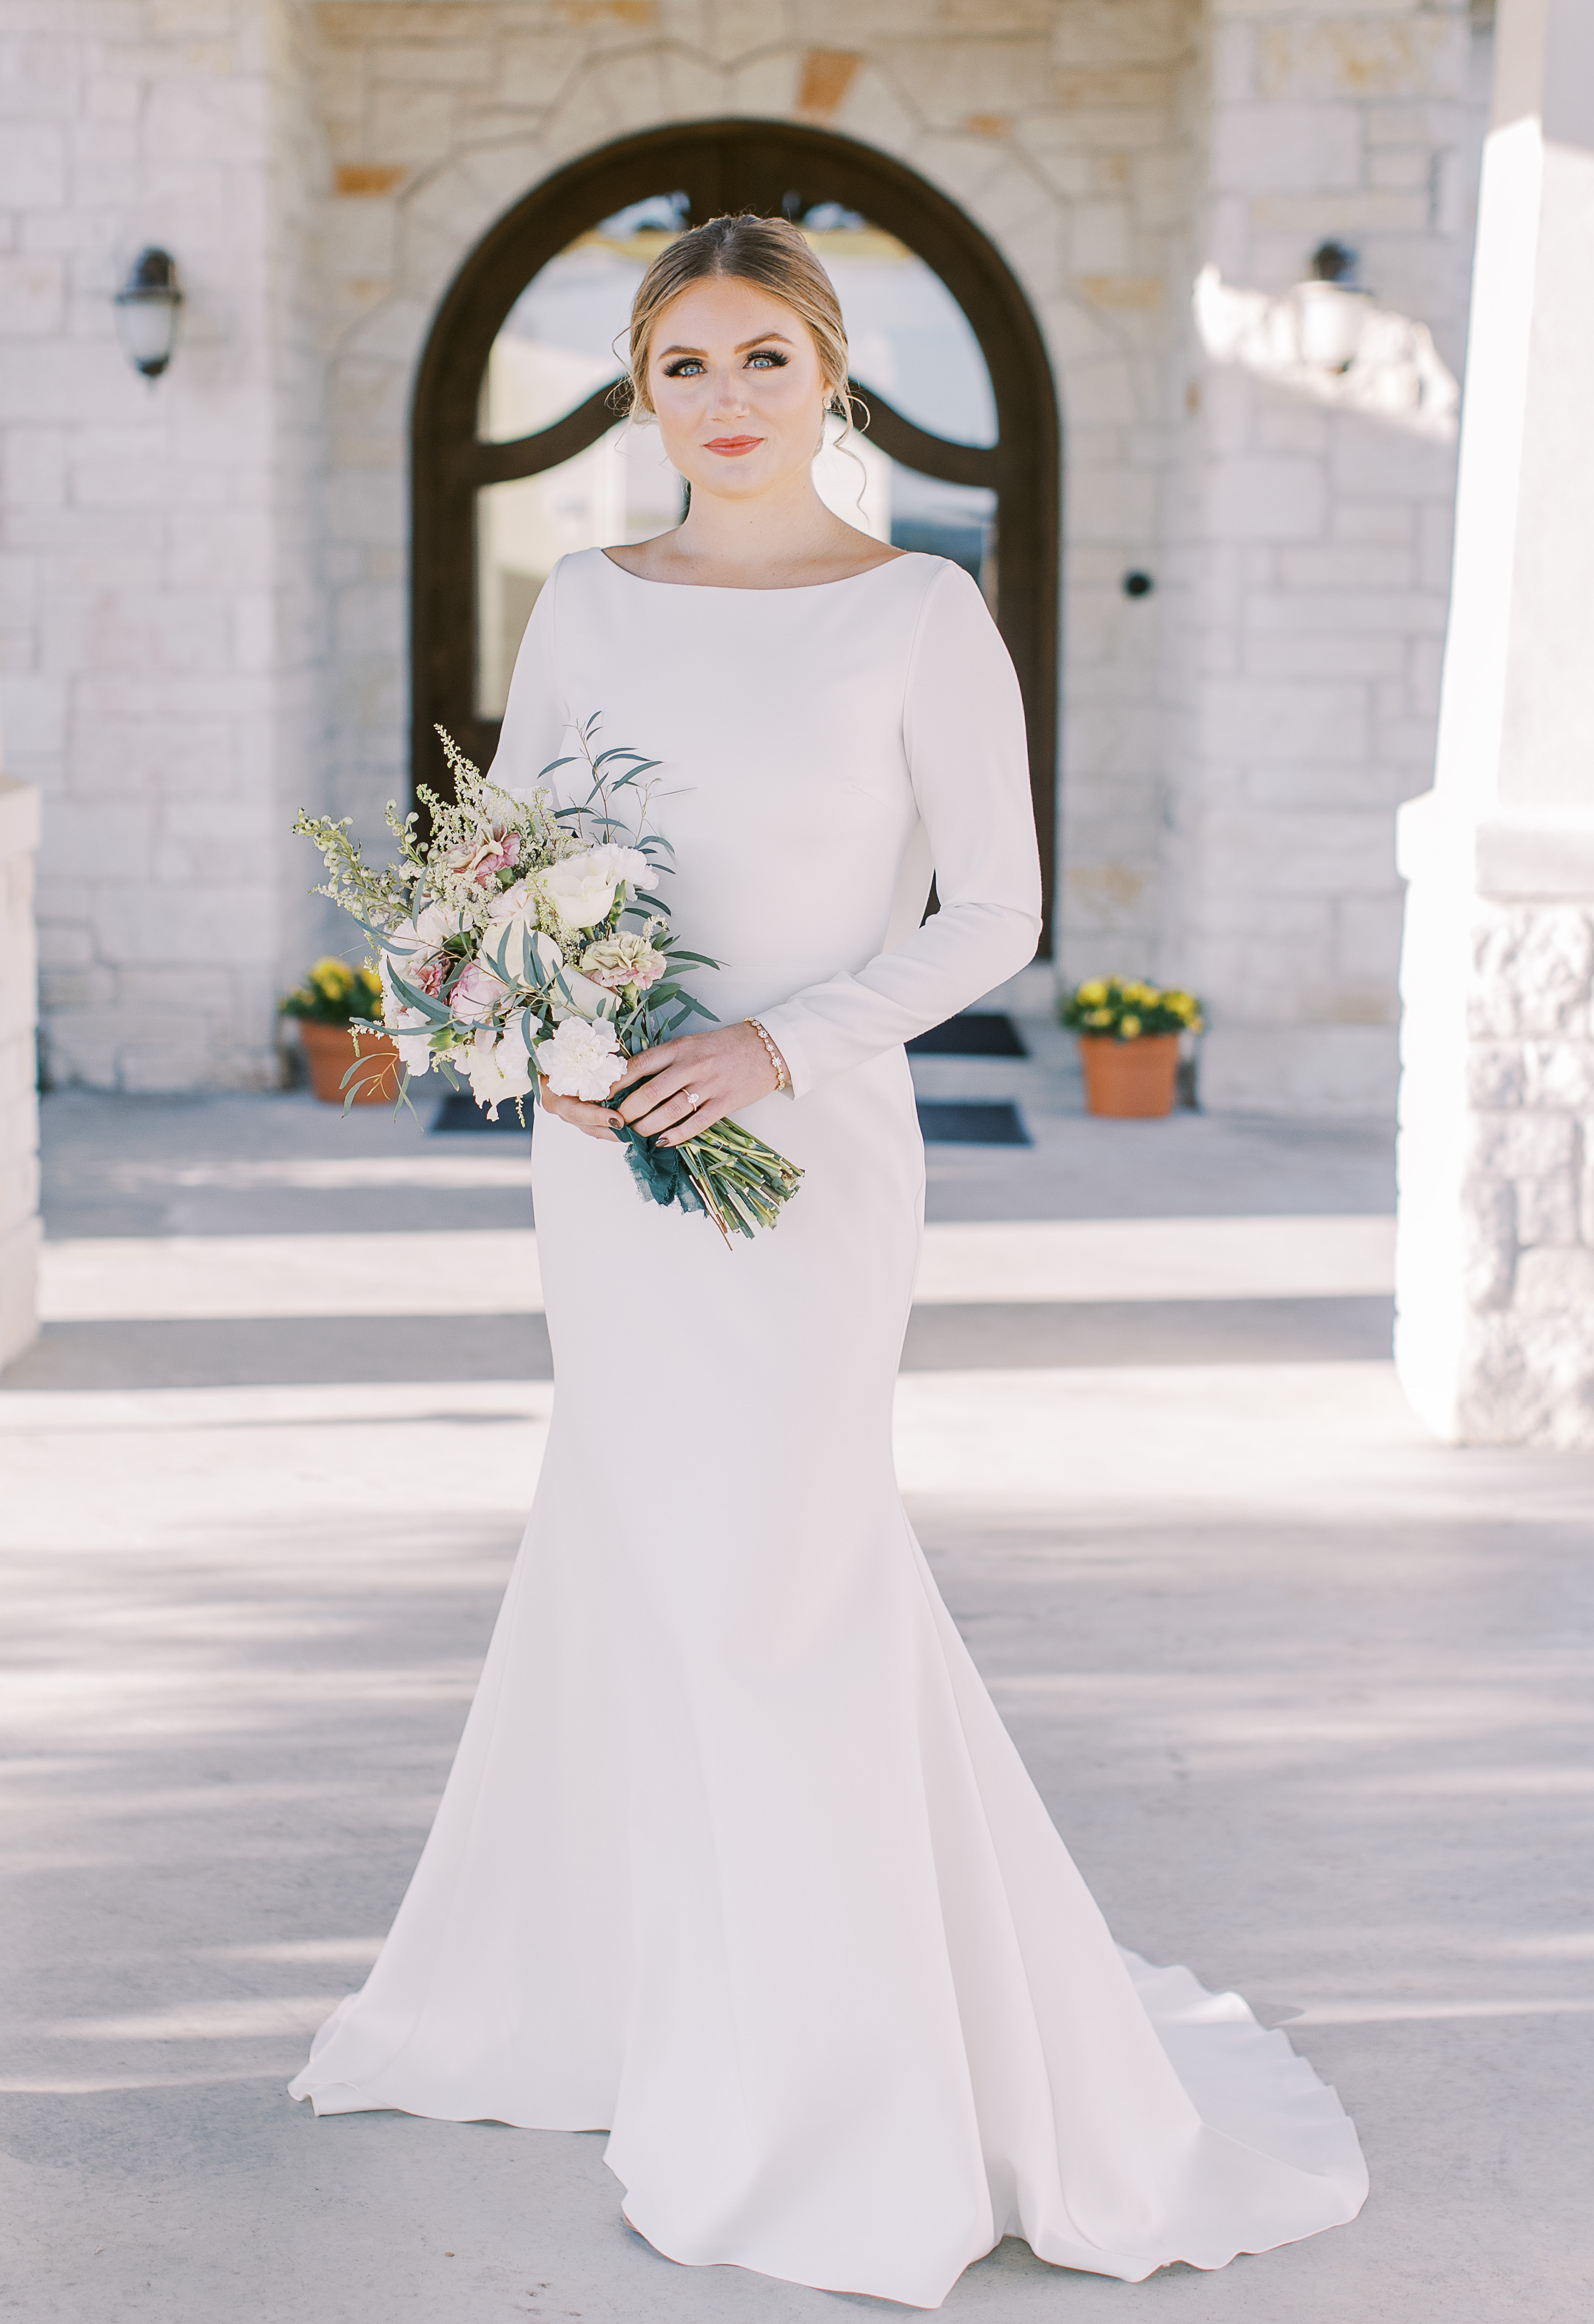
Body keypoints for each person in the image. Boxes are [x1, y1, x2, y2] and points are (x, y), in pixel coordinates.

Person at [289, 214, 1367, 2306]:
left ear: (829, 374)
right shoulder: (590, 599)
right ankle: (628, 1997)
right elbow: (503, 850)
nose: (722, 399)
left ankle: (827, 2090)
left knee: (783, 1579)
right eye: (680, 363)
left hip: (811, 1149)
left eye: (760, 357)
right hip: (612, 1162)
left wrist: (781, 1040)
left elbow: (995, 912)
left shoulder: (918, 610)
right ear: (638, 388)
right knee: (639, 1556)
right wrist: (523, 1019)